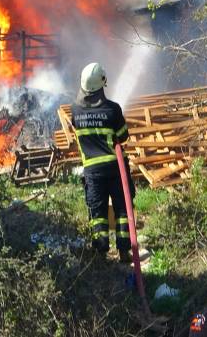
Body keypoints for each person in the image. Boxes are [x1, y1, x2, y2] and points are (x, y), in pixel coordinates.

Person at [71, 62, 135, 263]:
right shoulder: (113, 109)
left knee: (97, 211)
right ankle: (125, 252)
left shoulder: (75, 110)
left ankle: (101, 254)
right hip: (116, 169)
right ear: (102, 83)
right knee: (122, 209)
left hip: (92, 171)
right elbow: (123, 136)